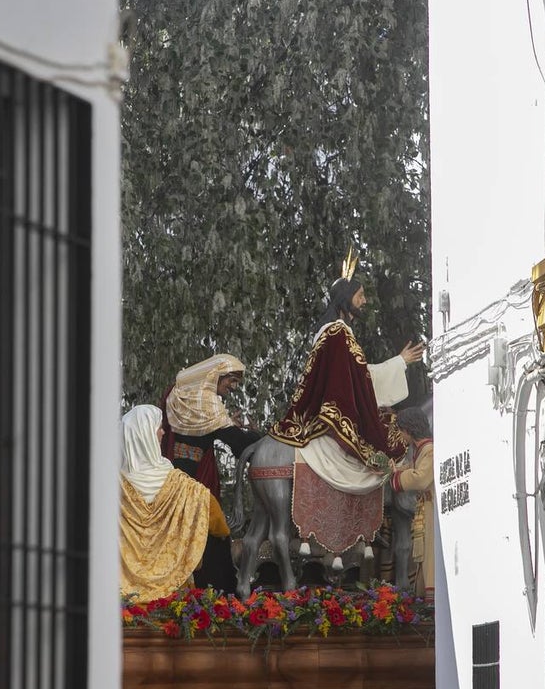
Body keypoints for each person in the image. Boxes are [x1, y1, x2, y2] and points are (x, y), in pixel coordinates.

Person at [270, 253, 426, 492]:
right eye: (360, 295)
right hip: (334, 412)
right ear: (346, 298)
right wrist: (400, 362)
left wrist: (398, 363)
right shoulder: (338, 332)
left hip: (324, 408)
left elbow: (356, 375)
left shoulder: (330, 331)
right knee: (391, 435)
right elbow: (357, 380)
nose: (364, 301)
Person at [161, 354, 263, 594]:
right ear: (216, 374)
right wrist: (262, 437)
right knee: (214, 533)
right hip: (191, 483)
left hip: (175, 477)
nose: (234, 386)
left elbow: (209, 432)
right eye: (231, 379)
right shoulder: (205, 400)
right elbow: (235, 444)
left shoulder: (182, 393)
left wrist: (227, 424)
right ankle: (216, 592)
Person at [119, 405, 231, 602]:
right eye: (158, 427)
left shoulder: (111, 490)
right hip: (176, 604)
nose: (163, 432)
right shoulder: (183, 487)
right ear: (144, 436)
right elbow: (219, 526)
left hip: (122, 604)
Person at [388, 406, 434, 601]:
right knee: (424, 553)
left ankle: (432, 600)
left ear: (409, 429)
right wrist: (394, 469)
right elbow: (411, 468)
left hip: (433, 511)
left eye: (400, 430)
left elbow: (421, 478)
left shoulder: (430, 450)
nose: (400, 435)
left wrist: (396, 477)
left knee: (431, 553)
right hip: (425, 509)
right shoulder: (420, 450)